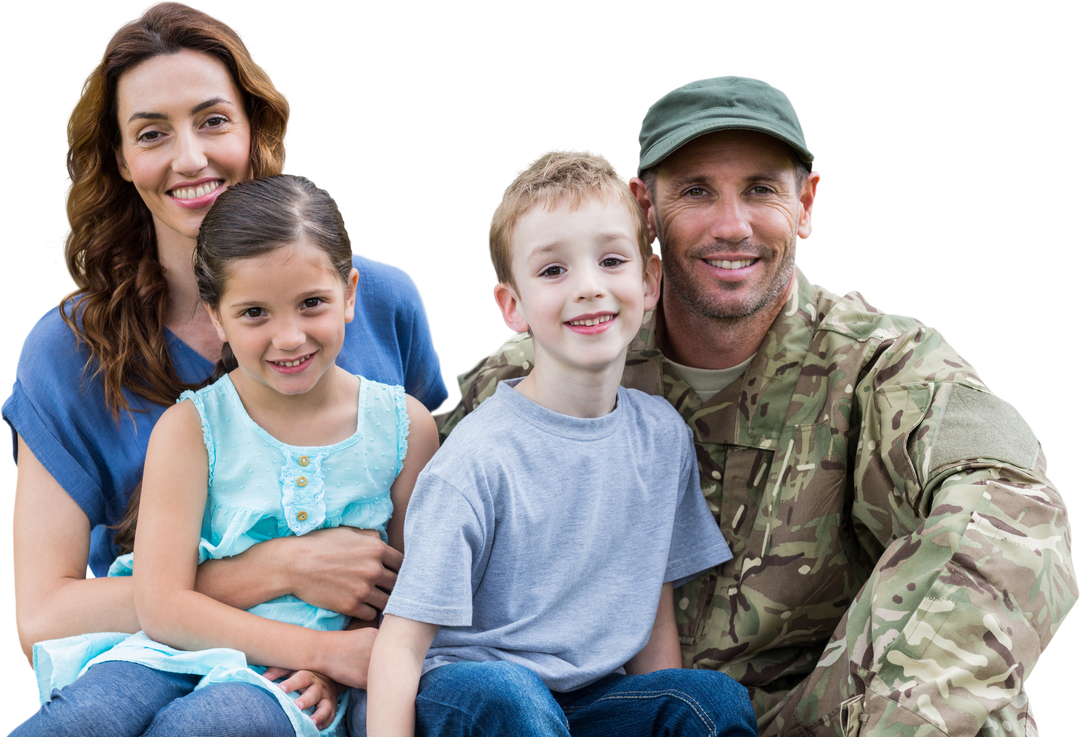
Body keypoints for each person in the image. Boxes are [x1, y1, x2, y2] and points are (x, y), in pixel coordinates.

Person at [434, 74, 1079, 736]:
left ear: (807, 202)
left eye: (761, 189)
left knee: (987, 702)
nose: (732, 226)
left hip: (829, 719)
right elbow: (386, 482)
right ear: (643, 207)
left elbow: (1014, 522)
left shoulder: (883, 365)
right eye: (695, 191)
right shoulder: (549, 366)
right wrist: (317, 564)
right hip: (605, 717)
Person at [3, 0, 449, 728]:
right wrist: (277, 570)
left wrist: (352, 665)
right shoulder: (64, 349)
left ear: (253, 127)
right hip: (139, 661)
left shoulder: (382, 302)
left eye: (213, 120)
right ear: (120, 158)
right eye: (152, 133)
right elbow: (43, 617)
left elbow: (433, 552)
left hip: (308, 694)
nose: (190, 158)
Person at [366, 146, 758, 737]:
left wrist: (665, 708)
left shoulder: (661, 437)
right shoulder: (479, 458)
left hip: (590, 700)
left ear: (649, 281)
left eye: (610, 261)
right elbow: (400, 644)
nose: (588, 288)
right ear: (513, 306)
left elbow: (651, 613)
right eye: (554, 270)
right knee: (516, 702)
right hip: (472, 692)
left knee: (707, 701)